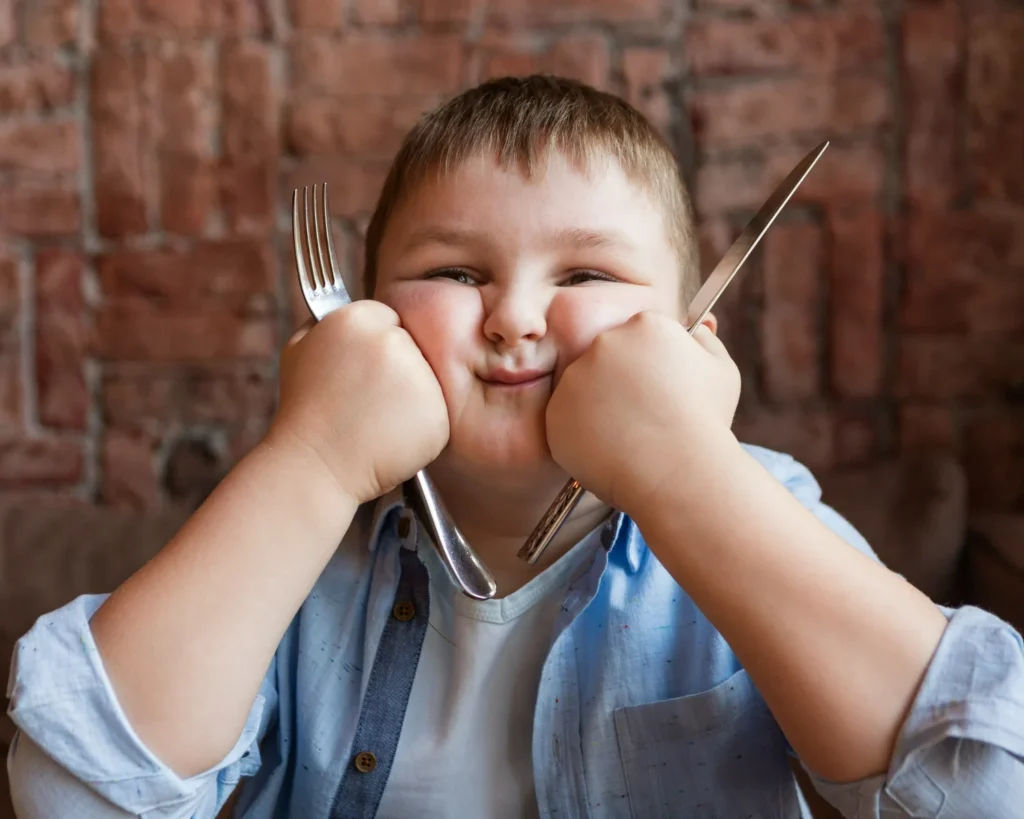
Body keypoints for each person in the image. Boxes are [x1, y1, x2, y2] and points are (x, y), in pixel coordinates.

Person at [7, 75, 1024, 819]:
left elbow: (986, 791)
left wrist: (685, 469)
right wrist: (311, 460)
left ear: (688, 340)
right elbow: (63, 795)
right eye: (455, 272)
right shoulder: (292, 538)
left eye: (585, 275)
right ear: (365, 324)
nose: (515, 318)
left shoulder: (759, 506)